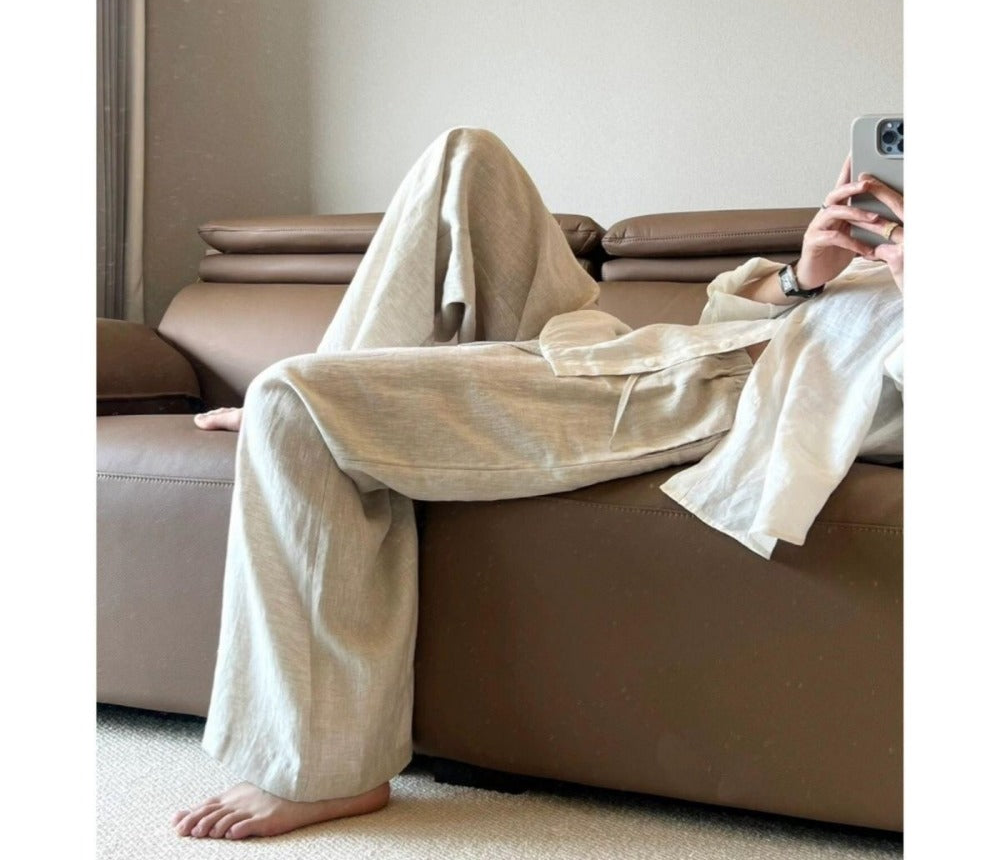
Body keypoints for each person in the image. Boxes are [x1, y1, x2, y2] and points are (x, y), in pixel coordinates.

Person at [172, 128, 903, 840]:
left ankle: (324, 772)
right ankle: (329, 415)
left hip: (676, 401)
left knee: (289, 398)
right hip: (634, 346)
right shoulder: (872, 261)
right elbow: (722, 315)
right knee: (467, 157)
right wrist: (804, 274)